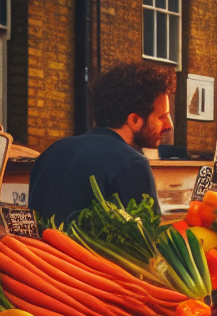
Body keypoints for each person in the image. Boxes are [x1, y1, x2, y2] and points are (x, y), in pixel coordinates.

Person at [30, 60, 176, 227]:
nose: (169, 125)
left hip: (37, 253)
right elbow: (149, 239)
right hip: (94, 255)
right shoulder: (133, 165)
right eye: (162, 117)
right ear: (134, 120)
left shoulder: (50, 153)